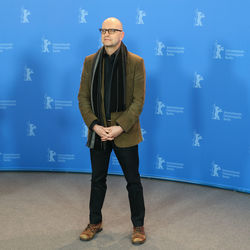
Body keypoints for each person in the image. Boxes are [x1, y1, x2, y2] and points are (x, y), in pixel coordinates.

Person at [78, 17, 146, 245]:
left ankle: (138, 226)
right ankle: (94, 222)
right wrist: (95, 125)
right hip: (98, 133)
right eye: (103, 30)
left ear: (122, 34)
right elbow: (83, 98)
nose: (107, 34)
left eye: (112, 30)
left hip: (124, 132)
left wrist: (119, 127)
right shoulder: (90, 61)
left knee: (133, 181)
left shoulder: (136, 62)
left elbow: (138, 101)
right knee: (97, 180)